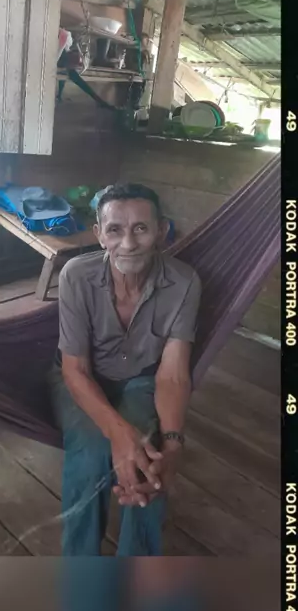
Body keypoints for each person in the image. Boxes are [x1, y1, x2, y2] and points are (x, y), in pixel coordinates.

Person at [50, 183, 201, 556]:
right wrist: (119, 435)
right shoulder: (76, 276)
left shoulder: (184, 282)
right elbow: (75, 369)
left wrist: (173, 445)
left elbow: (173, 374)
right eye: (115, 230)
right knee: (90, 453)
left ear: (161, 231)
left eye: (141, 228)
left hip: (142, 378)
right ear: (99, 235)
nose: (128, 243)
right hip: (81, 378)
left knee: (151, 459)